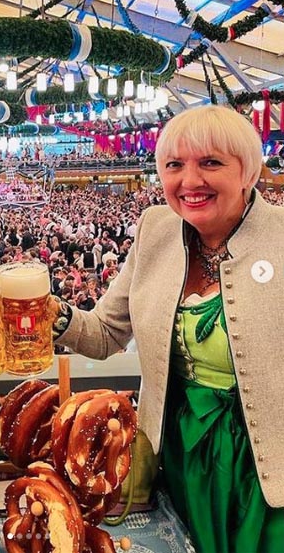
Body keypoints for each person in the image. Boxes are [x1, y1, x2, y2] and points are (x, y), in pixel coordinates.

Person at [51, 105, 284, 553]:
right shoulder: (155, 229)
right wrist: (50, 313)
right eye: (174, 165)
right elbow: (103, 333)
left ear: (247, 172)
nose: (189, 181)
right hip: (181, 452)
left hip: (267, 458)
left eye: (210, 162)